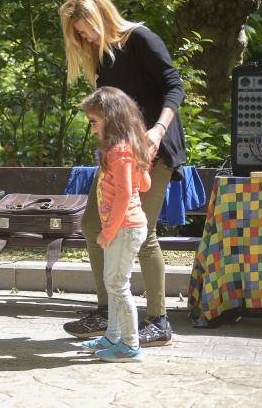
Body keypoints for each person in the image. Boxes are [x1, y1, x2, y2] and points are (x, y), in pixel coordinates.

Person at [59, 0, 186, 346]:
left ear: (101, 14)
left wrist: (157, 130)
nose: (85, 38)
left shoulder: (141, 38)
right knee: (91, 223)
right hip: (118, 152)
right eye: (80, 35)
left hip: (153, 148)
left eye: (86, 29)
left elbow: (175, 87)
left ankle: (159, 321)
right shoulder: (101, 56)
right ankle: (107, 311)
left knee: (142, 232)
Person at [78, 87, 152, 362]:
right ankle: (112, 336)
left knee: (118, 284)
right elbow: (144, 185)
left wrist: (107, 232)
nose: (93, 128)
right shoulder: (125, 149)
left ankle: (130, 345)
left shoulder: (120, 151)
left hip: (124, 228)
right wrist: (141, 164)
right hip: (125, 227)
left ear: (109, 117)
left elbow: (124, 193)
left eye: (94, 121)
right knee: (113, 283)